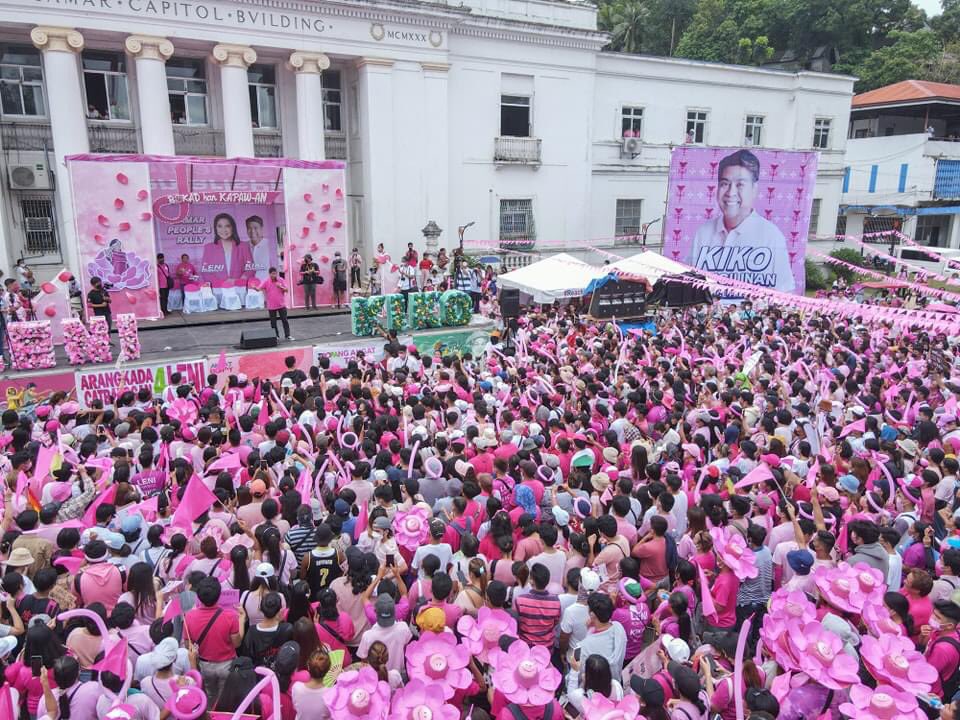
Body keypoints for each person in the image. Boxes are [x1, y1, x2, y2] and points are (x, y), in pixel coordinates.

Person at [689, 149, 795, 293]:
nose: (731, 193)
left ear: (754, 189)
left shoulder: (771, 235)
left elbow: (785, 292)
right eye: (725, 184)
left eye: (740, 185)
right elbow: (689, 283)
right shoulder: (703, 232)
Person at [200, 212, 255, 282]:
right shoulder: (208, 248)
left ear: (233, 227)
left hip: (239, 288)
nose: (224, 230)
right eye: (220, 226)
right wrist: (222, 284)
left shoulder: (243, 246)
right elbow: (205, 272)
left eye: (227, 226)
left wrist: (238, 281)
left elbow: (250, 269)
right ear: (215, 228)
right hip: (218, 289)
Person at [263, 266, 292, 341]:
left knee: (285, 320)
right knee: (273, 322)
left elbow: (286, 290)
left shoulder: (281, 280)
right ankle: (276, 336)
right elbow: (259, 288)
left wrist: (281, 287)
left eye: (275, 274)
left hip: (281, 304)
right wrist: (255, 288)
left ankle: (287, 335)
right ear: (269, 274)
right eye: (273, 274)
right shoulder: (266, 281)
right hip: (271, 306)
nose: (274, 275)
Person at [246, 214, 273, 280]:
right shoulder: (243, 246)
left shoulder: (269, 244)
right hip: (248, 285)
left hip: (265, 284)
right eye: (249, 228)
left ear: (261, 228)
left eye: (255, 228)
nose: (252, 231)